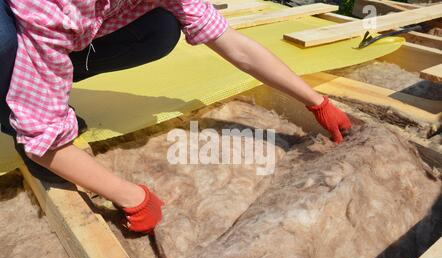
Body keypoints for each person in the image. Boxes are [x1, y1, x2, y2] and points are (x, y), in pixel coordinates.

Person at [0, 0, 352, 233]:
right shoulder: (56, 7)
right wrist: (130, 196)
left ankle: (41, 83)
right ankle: (14, 101)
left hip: (61, 26)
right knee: (5, 47)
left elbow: (235, 46)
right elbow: (40, 143)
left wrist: (315, 101)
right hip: (16, 17)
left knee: (160, 29)